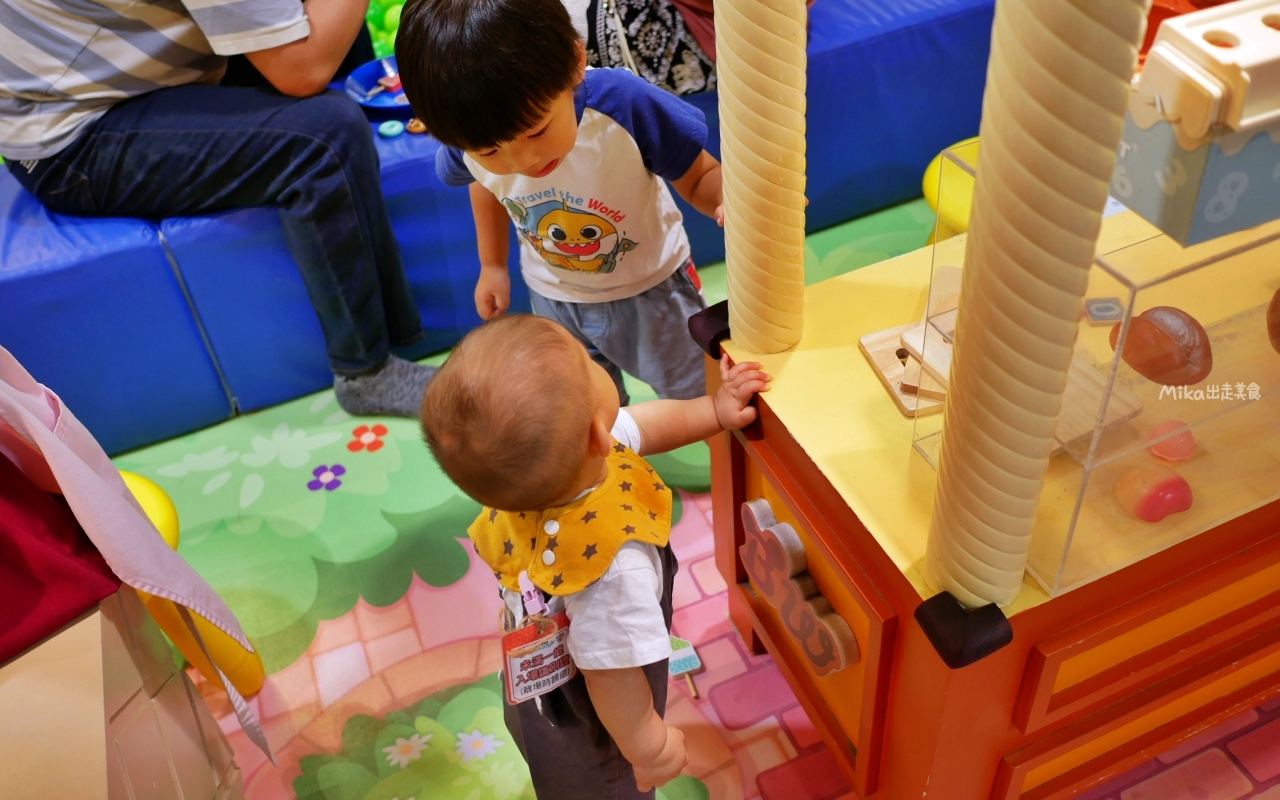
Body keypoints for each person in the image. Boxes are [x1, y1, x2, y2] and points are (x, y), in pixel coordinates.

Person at [0, 0, 436, 417]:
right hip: (70, 132)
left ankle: (403, 328)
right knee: (325, 137)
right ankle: (366, 372)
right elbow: (302, 71)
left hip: (123, 65)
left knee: (330, 28)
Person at [421, 313, 769, 798]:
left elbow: (647, 426)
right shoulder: (612, 571)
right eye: (587, 363)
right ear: (595, 437)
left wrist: (715, 410)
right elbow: (610, 672)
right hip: (594, 723)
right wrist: (647, 744)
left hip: (537, 671)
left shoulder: (550, 468)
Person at [397, 0, 725, 404]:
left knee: (703, 399)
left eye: (536, 132)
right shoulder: (468, 137)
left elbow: (701, 177)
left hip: (654, 289)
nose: (522, 162)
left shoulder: (624, 104)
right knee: (588, 413)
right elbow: (481, 183)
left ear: (575, 62)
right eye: (490, 151)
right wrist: (492, 264)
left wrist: (728, 202)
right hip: (554, 299)